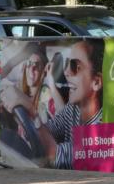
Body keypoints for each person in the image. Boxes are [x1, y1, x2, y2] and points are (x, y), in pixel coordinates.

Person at [36, 39, 104, 170]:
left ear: (96, 82)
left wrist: (30, 114)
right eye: (67, 64)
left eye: (75, 66)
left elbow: (55, 156)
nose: (66, 72)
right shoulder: (73, 109)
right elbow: (52, 128)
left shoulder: (102, 126)